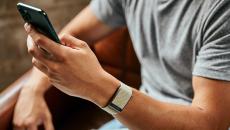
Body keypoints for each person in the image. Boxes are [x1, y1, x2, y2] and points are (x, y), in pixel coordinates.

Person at [13, 0, 230, 130]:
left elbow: (209, 124)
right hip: (133, 120)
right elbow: (71, 35)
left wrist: (99, 87)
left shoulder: (221, 10)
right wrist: (32, 90)